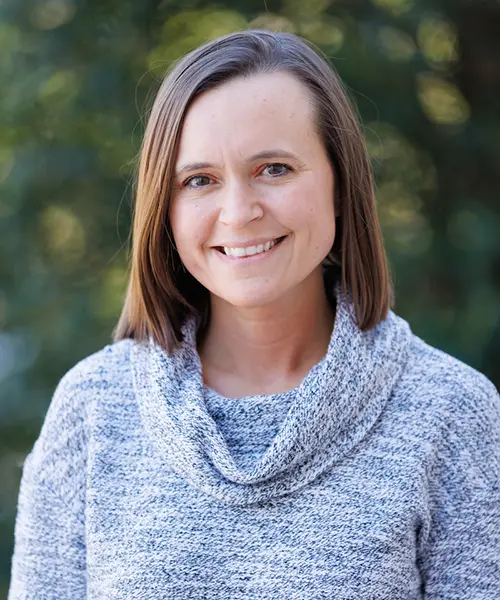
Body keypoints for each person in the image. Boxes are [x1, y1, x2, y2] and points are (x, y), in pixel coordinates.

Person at [8, 29, 500, 600]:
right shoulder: (92, 409)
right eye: (200, 181)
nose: (239, 212)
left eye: (274, 169)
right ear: (163, 210)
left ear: (341, 182)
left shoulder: (453, 413)